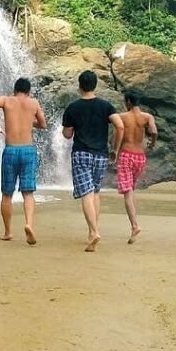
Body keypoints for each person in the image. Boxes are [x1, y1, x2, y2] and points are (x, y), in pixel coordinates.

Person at [62, 70, 124, 252]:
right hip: (101, 155)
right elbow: (120, 126)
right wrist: (115, 149)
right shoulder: (105, 106)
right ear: (95, 85)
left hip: (81, 153)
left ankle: (94, 231)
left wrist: (69, 129)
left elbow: (67, 134)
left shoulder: (73, 107)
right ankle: (92, 231)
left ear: (80, 86)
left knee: (86, 193)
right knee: (95, 192)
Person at [0, 77, 47, 245]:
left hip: (11, 150)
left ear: (15, 90)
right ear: (28, 92)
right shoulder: (33, 103)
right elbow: (43, 124)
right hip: (28, 151)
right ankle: (29, 224)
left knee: (7, 194)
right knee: (28, 193)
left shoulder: (7, 100)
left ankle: (8, 232)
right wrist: (30, 121)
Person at [114, 90, 157, 244]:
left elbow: (117, 135)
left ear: (129, 102)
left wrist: (115, 151)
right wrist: (152, 144)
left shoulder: (122, 117)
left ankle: (134, 225)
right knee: (131, 189)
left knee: (127, 192)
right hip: (140, 157)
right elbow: (154, 131)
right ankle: (135, 222)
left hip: (126, 155)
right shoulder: (147, 117)